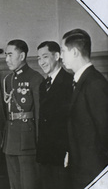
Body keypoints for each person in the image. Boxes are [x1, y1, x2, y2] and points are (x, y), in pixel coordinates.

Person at [60, 29, 108, 189]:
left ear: (74, 52)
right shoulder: (82, 80)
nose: (61, 56)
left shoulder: (94, 83)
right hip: (81, 167)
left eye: (63, 51)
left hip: (93, 171)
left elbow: (105, 132)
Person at [2, 39, 43, 189]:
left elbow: (39, 113)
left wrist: (39, 140)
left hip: (28, 140)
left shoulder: (35, 78)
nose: (7, 59)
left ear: (22, 56)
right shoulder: (8, 79)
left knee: (29, 184)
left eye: (10, 55)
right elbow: (5, 111)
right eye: (6, 55)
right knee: (15, 185)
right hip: (10, 139)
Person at [36, 41, 73, 189]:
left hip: (62, 153)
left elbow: (72, 120)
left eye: (45, 57)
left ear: (57, 56)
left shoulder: (70, 82)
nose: (41, 62)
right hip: (46, 152)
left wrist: (69, 150)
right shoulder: (43, 85)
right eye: (38, 58)